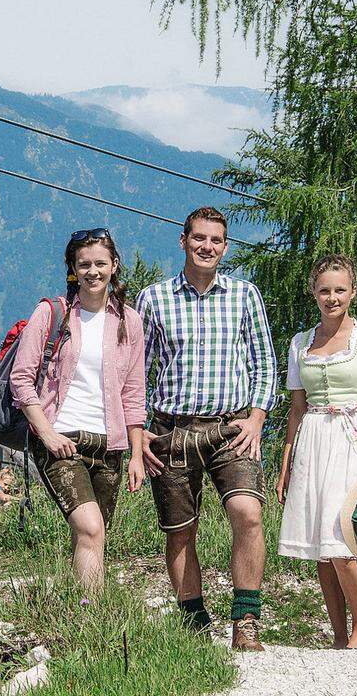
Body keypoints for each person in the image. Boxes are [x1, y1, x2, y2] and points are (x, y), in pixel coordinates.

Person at [133, 206, 277, 649]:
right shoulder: (154, 298)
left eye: (215, 240)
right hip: (170, 431)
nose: (206, 247)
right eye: (199, 238)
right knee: (180, 531)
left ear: (226, 246)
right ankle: (194, 623)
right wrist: (138, 439)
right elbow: (135, 371)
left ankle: (246, 619)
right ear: (183, 241)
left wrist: (257, 416)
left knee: (248, 513)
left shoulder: (244, 295)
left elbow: (264, 362)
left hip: (231, 427)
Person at [10, 227, 146, 591]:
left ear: (114, 266)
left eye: (100, 263)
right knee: (90, 527)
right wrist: (47, 433)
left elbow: (133, 391)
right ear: (72, 268)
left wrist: (136, 454)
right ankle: (93, 619)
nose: (93, 271)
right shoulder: (51, 313)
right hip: (61, 439)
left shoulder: (129, 321)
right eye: (83, 264)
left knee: (93, 536)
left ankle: (81, 616)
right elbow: (21, 380)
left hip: (109, 445)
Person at [276, 254, 357, 649]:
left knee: (344, 543)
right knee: (321, 550)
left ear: (353, 292)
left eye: (340, 289)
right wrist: (286, 465)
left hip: (353, 440)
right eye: (325, 290)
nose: (332, 297)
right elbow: (296, 409)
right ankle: (339, 635)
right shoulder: (299, 343)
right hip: (312, 440)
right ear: (314, 293)